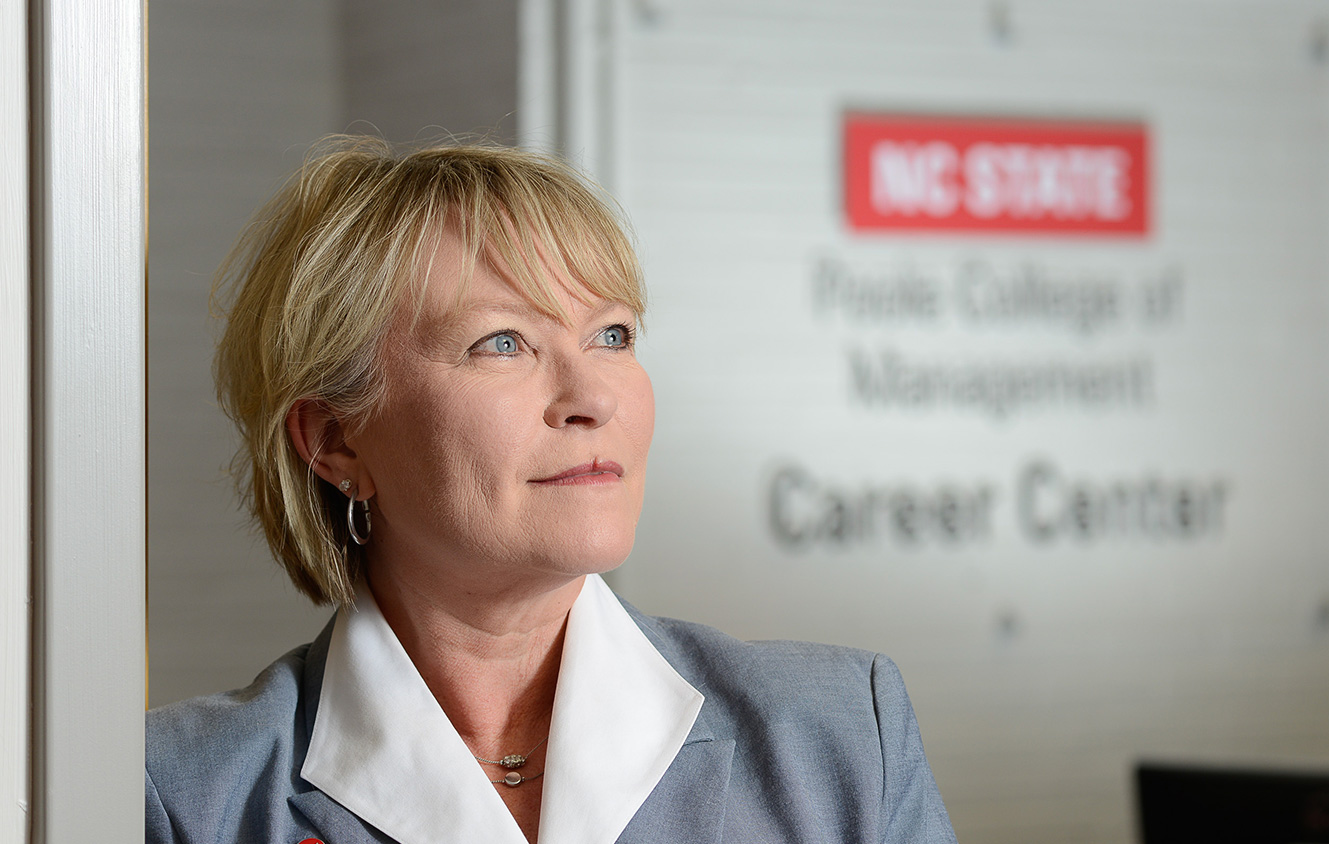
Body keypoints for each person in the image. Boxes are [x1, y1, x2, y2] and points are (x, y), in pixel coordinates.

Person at [146, 136, 956, 844]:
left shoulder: (843, 737)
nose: (592, 397)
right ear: (335, 440)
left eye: (612, 335)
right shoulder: (181, 797)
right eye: (504, 342)